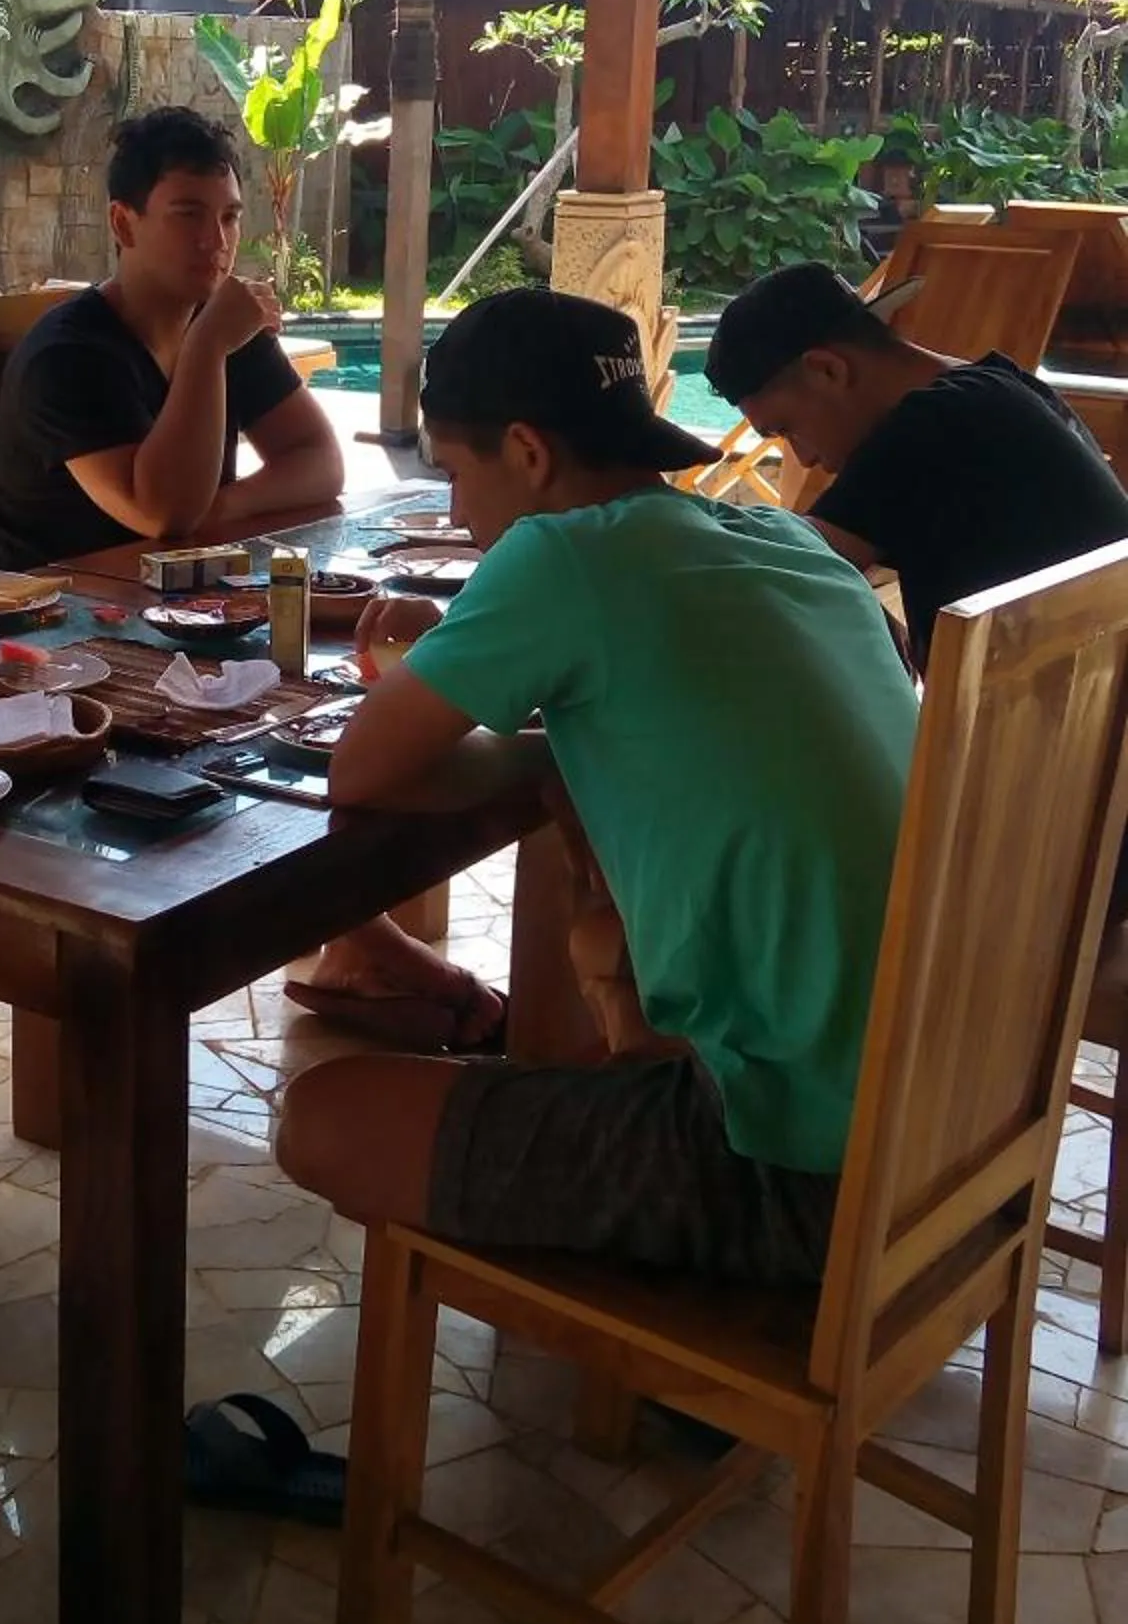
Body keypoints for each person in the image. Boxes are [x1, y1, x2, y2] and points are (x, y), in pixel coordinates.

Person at [275, 289, 917, 1284]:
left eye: (453, 473)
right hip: (940, 1134)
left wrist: (501, 725)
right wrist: (560, 751)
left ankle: (659, 1313)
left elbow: (362, 766)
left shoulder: (561, 553)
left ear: (527, 453)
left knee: (320, 1116)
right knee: (569, 1040)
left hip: (803, 1178)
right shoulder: (788, 543)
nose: (453, 512)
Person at [705, 260, 1128, 675]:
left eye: (786, 429)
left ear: (828, 370)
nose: (806, 458)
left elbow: (768, 570)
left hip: (1034, 731)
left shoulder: (927, 425)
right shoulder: (999, 386)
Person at [0, 106, 343, 568]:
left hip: (178, 604)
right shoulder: (68, 355)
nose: (216, 240)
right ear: (124, 224)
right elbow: (165, 513)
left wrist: (224, 506)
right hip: (52, 613)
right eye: (189, 215)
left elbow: (320, 461)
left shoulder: (223, 324)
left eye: (229, 217)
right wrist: (207, 346)